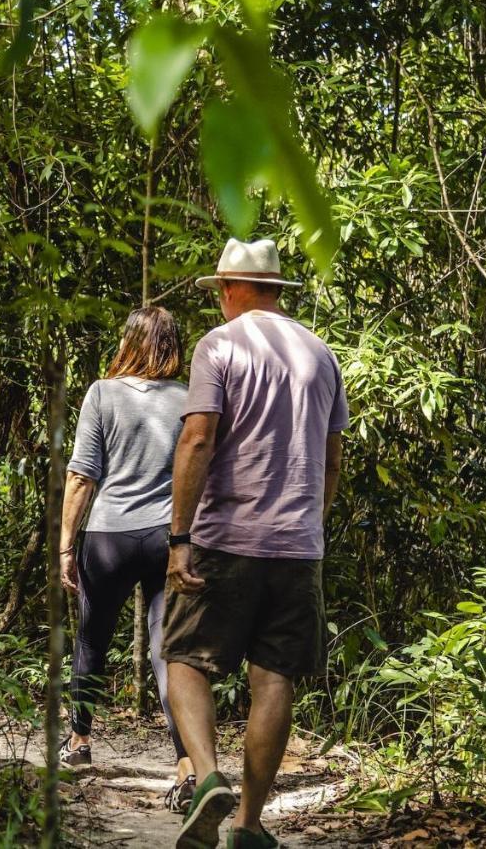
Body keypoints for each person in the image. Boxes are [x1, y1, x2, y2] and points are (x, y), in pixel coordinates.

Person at [163, 238, 348, 849]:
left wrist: (180, 537)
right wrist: (310, 524)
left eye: (220, 288)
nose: (219, 299)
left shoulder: (220, 346)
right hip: (298, 547)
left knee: (186, 659)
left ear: (233, 288)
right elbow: (332, 454)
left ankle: (208, 774)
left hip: (226, 537)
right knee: (274, 680)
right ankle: (248, 824)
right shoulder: (321, 354)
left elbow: (197, 439)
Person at [58, 306, 198, 813]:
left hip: (111, 536)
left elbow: (81, 476)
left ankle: (78, 742)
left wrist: (66, 544)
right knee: (169, 651)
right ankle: (186, 763)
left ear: (129, 343)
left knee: (92, 639)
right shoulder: (188, 400)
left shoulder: (102, 392)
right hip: (169, 537)